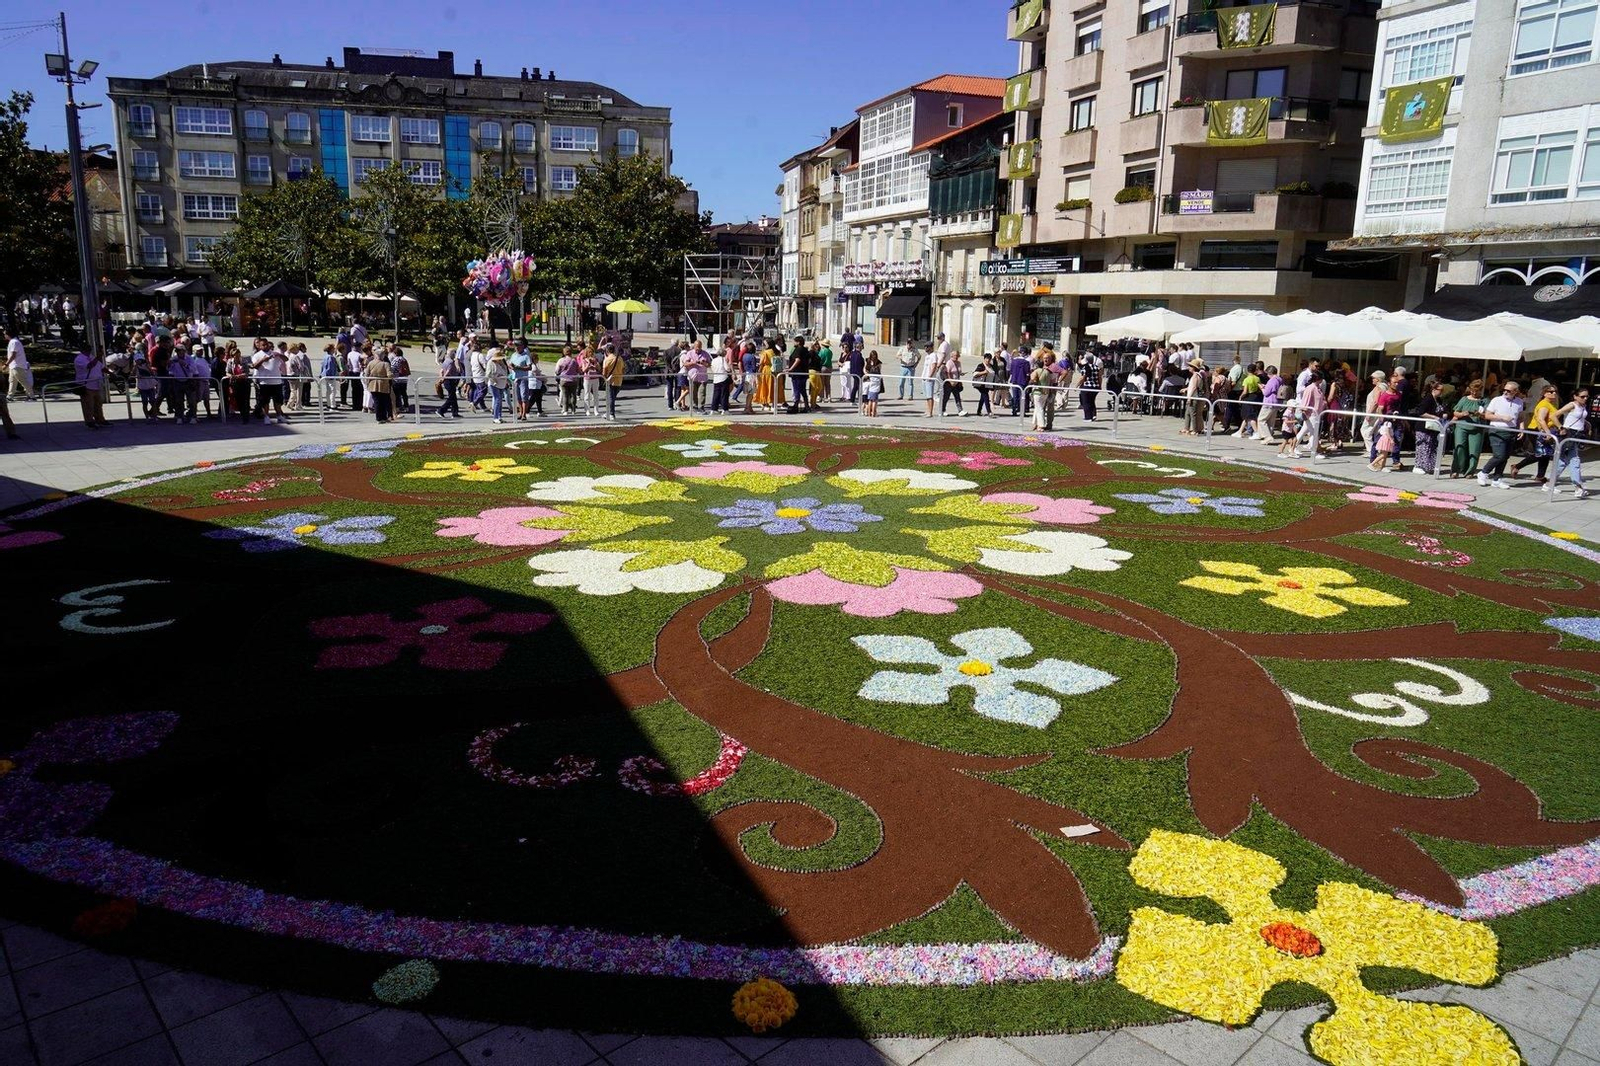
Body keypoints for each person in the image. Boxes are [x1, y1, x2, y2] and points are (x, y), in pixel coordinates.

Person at [1478, 381, 1525, 488]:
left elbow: (1521, 417)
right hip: (1497, 430)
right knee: (1499, 455)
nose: (1505, 392)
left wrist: (1522, 429)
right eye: (1504, 389)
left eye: (1508, 390)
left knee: (1505, 456)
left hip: (1511, 431)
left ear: (1515, 391)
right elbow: (1487, 415)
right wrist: (1502, 417)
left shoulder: (1519, 401)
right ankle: (1483, 473)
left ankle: (1497, 479)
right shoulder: (1496, 400)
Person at [1512, 383, 1561, 482]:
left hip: (1543, 430)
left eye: (1555, 392)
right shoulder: (1544, 404)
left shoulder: (1550, 404)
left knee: (1545, 454)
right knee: (1540, 454)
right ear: (1544, 393)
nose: (1554, 393)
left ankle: (1540, 476)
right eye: (1551, 392)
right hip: (1537, 430)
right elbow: (1541, 419)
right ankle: (1517, 466)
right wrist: (1547, 433)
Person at [1554, 387, 1590, 498]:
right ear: (1575, 396)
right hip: (1569, 433)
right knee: (1575, 460)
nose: (1585, 398)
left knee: (1563, 461)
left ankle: (1549, 483)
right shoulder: (1572, 405)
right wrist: (1560, 427)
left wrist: (1587, 424)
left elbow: (1580, 418)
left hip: (1577, 434)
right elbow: (1554, 415)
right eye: (1582, 396)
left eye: (1587, 396)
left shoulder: (1583, 406)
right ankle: (1578, 487)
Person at [1449, 379, 1487, 478]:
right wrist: (1462, 414)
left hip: (1477, 429)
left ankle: (1470, 471)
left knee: (1474, 451)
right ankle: (1456, 469)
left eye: (1476, 391)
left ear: (1481, 390)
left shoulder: (1484, 401)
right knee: (1459, 448)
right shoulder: (1464, 399)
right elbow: (1455, 412)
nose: (1474, 393)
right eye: (1472, 390)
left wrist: (1480, 414)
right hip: (1462, 426)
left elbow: (1488, 415)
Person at [1413, 378, 1449, 476]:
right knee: (1423, 446)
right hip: (1424, 427)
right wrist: (1434, 417)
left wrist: (1444, 414)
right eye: (1440, 390)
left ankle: (1428, 466)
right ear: (1434, 390)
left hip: (1433, 429)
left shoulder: (1439, 400)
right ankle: (1418, 466)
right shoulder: (1428, 399)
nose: (1442, 392)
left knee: (1430, 447)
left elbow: (1443, 409)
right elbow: (1421, 412)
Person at [74, 346, 109, 429]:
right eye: (86, 349)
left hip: (96, 384)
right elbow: (90, 366)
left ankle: (100, 419)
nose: (88, 350)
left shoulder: (92, 357)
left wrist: (111, 373)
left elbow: (101, 367)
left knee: (98, 404)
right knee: (88, 405)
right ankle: (89, 421)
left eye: (89, 349)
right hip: (86, 385)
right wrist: (98, 357)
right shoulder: (79, 359)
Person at [5, 329, 35, 400]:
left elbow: (13, 355)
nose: (4, 335)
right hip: (13, 365)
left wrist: (6, 364)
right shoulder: (13, 341)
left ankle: (32, 396)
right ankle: (10, 396)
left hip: (17, 365)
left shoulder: (14, 342)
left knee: (23, 381)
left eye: (5, 334)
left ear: (8, 334)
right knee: (12, 381)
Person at [366, 350, 393, 423]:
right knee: (383, 402)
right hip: (383, 385)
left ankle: (379, 418)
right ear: (382, 356)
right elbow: (389, 375)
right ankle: (383, 417)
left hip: (372, 384)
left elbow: (366, 374)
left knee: (377, 402)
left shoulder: (370, 363)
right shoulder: (385, 364)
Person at [784, 338, 810, 414]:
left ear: (798, 342)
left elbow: (797, 360)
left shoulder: (798, 350)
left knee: (797, 389)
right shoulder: (805, 350)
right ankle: (806, 406)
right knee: (803, 390)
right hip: (803, 372)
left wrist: (790, 369)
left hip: (797, 373)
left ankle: (796, 405)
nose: (793, 343)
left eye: (794, 341)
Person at [438, 343, 463, 418]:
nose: (455, 355)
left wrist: (441, 377)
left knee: (453, 397)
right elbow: (448, 372)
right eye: (454, 353)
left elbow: (441, 370)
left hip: (447, 381)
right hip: (449, 380)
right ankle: (441, 410)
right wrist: (443, 378)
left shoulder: (445, 361)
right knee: (451, 397)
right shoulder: (451, 362)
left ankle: (455, 413)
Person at [603, 344, 627, 420]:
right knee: (612, 398)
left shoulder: (607, 360)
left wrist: (604, 378)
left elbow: (604, 372)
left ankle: (611, 414)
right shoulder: (620, 358)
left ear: (607, 351)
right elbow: (624, 369)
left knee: (611, 398)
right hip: (619, 380)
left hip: (610, 381)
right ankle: (609, 412)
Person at [1078, 347, 1103, 422]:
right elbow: (1100, 376)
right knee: (1092, 401)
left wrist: (1078, 385)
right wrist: (1100, 385)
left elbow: (1083, 377)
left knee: (1086, 402)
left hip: (1087, 385)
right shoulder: (1098, 363)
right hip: (1095, 385)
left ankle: (1088, 417)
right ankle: (1093, 415)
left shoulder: (1086, 366)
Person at [940, 348, 966, 416]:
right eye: (955, 355)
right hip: (949, 383)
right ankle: (942, 410)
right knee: (946, 397)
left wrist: (961, 375)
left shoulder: (958, 363)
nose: (957, 357)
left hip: (956, 382)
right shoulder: (949, 362)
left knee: (957, 397)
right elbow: (947, 372)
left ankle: (960, 410)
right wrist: (950, 381)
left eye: (957, 355)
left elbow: (958, 372)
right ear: (951, 356)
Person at [555, 346, 581, 415]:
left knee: (565, 395)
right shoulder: (574, 361)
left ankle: (565, 410)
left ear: (564, 352)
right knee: (573, 395)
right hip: (573, 380)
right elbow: (578, 370)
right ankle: (573, 410)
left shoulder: (561, 360)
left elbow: (557, 370)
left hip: (564, 380)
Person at [919, 343, 940, 418]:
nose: (925, 348)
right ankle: (927, 410)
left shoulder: (933, 355)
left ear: (931, 347)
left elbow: (934, 366)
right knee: (926, 396)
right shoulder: (927, 356)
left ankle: (930, 412)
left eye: (927, 347)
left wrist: (929, 376)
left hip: (929, 379)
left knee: (930, 396)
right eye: (925, 347)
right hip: (924, 377)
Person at [754, 342, 775, 411]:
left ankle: (765, 402)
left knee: (764, 386)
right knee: (771, 387)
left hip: (765, 370)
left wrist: (758, 372)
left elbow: (761, 363)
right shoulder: (773, 351)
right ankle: (771, 402)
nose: (763, 345)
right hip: (772, 370)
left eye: (764, 344)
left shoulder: (764, 352)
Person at [862, 351, 883, 416]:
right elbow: (864, 369)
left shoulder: (878, 363)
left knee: (870, 398)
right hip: (869, 381)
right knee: (871, 399)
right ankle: (870, 412)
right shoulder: (868, 361)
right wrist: (867, 374)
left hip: (871, 380)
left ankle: (869, 412)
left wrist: (868, 374)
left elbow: (879, 371)